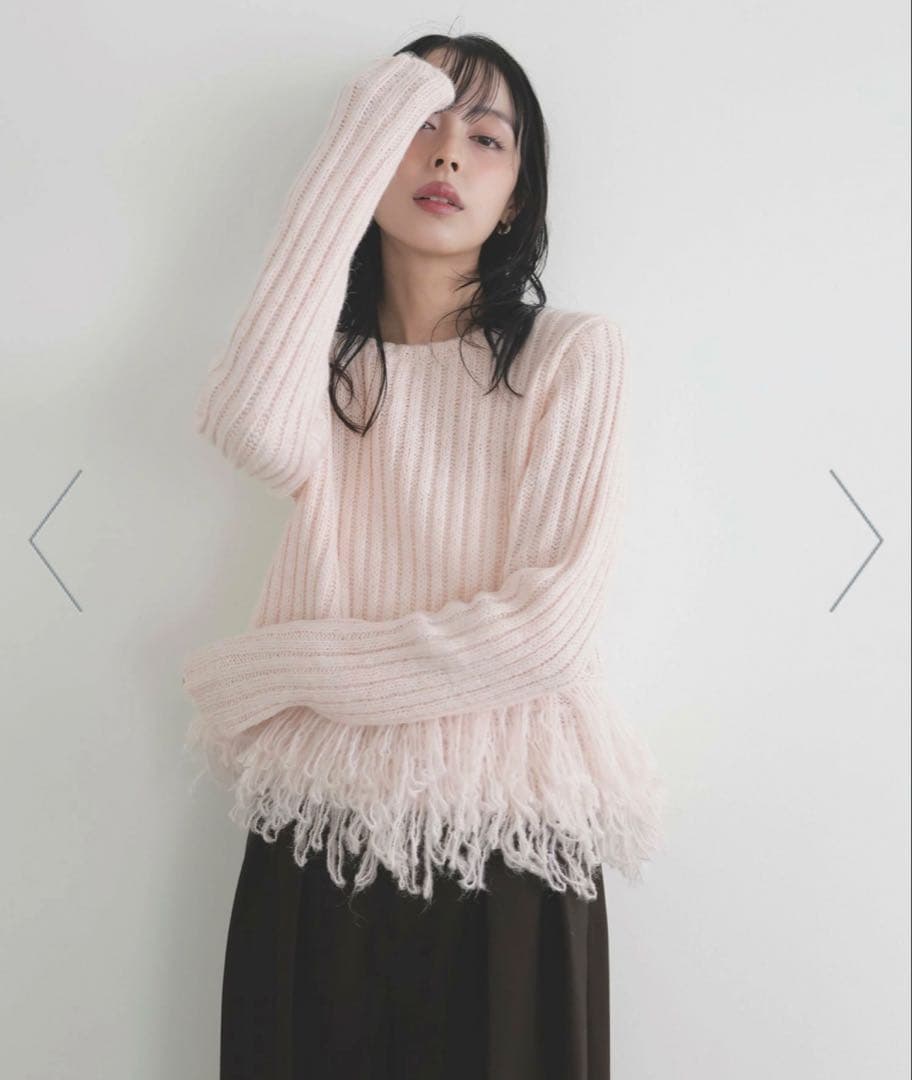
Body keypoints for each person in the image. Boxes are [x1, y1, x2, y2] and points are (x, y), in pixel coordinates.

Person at [181, 30, 666, 1080]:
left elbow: (543, 634)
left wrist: (285, 668)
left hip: (506, 844)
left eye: (486, 138)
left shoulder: (572, 356)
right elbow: (244, 425)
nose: (447, 154)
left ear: (518, 199)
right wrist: (361, 134)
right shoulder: (324, 375)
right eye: (417, 127)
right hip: (322, 830)